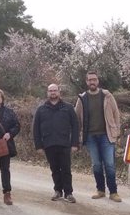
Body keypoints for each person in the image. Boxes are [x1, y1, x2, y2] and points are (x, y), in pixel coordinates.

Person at [74, 71, 123, 202]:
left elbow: (116, 114)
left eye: (94, 79)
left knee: (110, 165)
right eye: (90, 80)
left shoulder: (107, 95)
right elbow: (76, 118)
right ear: (86, 82)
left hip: (107, 136)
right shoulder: (82, 98)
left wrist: (116, 131)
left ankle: (113, 192)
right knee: (96, 165)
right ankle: (100, 190)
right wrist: (76, 136)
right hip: (90, 137)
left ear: (98, 81)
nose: (92, 82)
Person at [33, 84, 79, 203]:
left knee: (66, 169)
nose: (53, 93)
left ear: (59, 92)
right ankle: (58, 190)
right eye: (50, 91)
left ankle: (68, 193)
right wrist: (38, 145)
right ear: (47, 93)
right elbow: (35, 129)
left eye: (55, 90)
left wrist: (75, 143)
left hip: (64, 144)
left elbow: (75, 126)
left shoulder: (68, 108)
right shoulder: (41, 109)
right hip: (48, 144)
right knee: (54, 169)